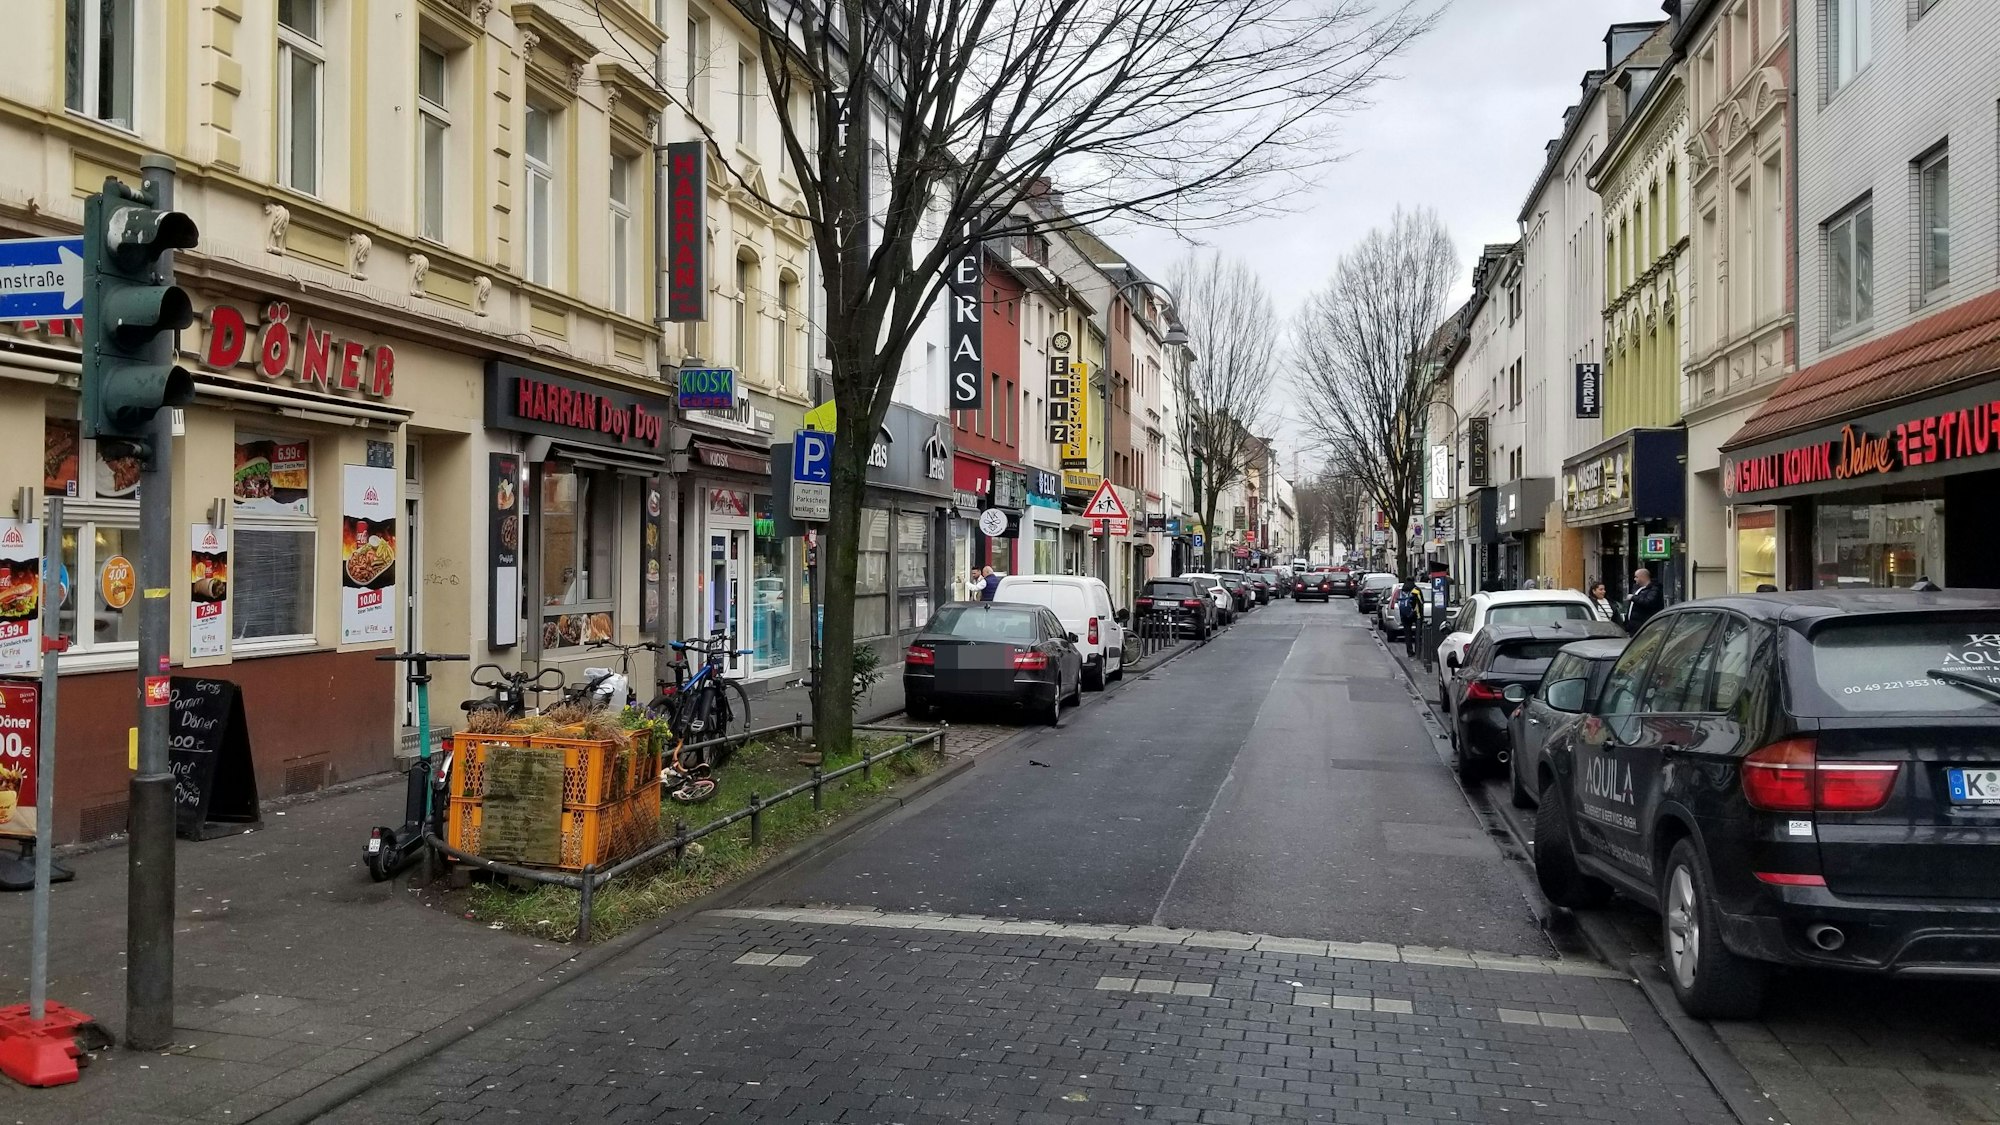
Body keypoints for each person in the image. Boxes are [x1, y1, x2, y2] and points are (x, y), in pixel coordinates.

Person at [1625, 567, 1664, 633]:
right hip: (1633, 626)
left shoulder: (1654, 588)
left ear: (1642, 577)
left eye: (1636, 577)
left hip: (1645, 626)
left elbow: (1649, 602)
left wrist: (1633, 597)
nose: (1634, 579)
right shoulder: (1638, 589)